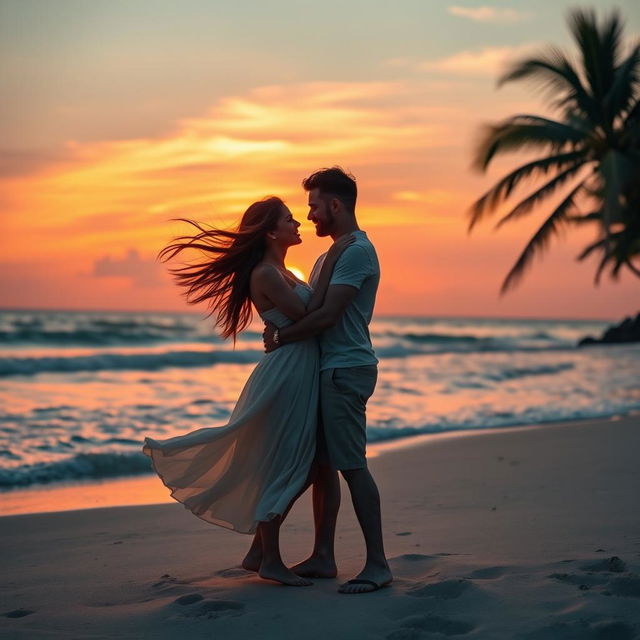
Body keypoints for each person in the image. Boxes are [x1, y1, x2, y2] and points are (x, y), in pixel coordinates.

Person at [142, 196, 353, 587]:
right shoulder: (267, 274)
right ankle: (269, 559)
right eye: (290, 220)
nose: (298, 224)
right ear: (271, 231)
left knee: (306, 462)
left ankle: (260, 551)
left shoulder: (284, 271)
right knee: (287, 462)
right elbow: (312, 318)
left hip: (299, 370)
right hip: (287, 374)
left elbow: (309, 318)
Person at [251, 167, 393, 594]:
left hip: (345, 367)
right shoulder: (329, 253)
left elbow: (327, 316)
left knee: (351, 466)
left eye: (314, 206)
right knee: (322, 466)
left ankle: (378, 566)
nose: (309, 215)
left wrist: (280, 336)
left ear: (335, 204)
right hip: (328, 367)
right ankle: (323, 556)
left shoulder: (356, 252)